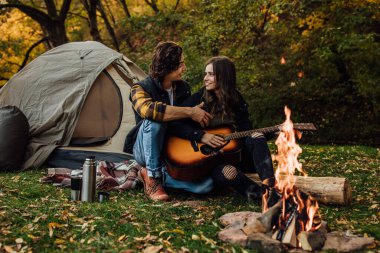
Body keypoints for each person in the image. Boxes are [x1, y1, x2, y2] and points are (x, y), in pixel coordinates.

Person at [164, 56, 277, 203]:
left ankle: (270, 189)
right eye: (206, 74)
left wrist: (272, 134)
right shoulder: (199, 98)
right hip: (211, 161)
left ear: (223, 76)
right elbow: (173, 125)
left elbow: (246, 133)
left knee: (256, 137)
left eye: (210, 74)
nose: (205, 78)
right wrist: (201, 136)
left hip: (236, 155)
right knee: (228, 173)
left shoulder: (236, 99)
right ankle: (268, 200)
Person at [125, 41, 212, 202]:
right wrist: (190, 111)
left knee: (205, 186)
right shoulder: (139, 88)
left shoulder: (183, 87)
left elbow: (184, 123)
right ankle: (153, 178)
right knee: (155, 121)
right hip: (144, 149)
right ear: (167, 65)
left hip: (170, 149)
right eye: (180, 64)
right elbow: (148, 110)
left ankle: (155, 175)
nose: (183, 68)